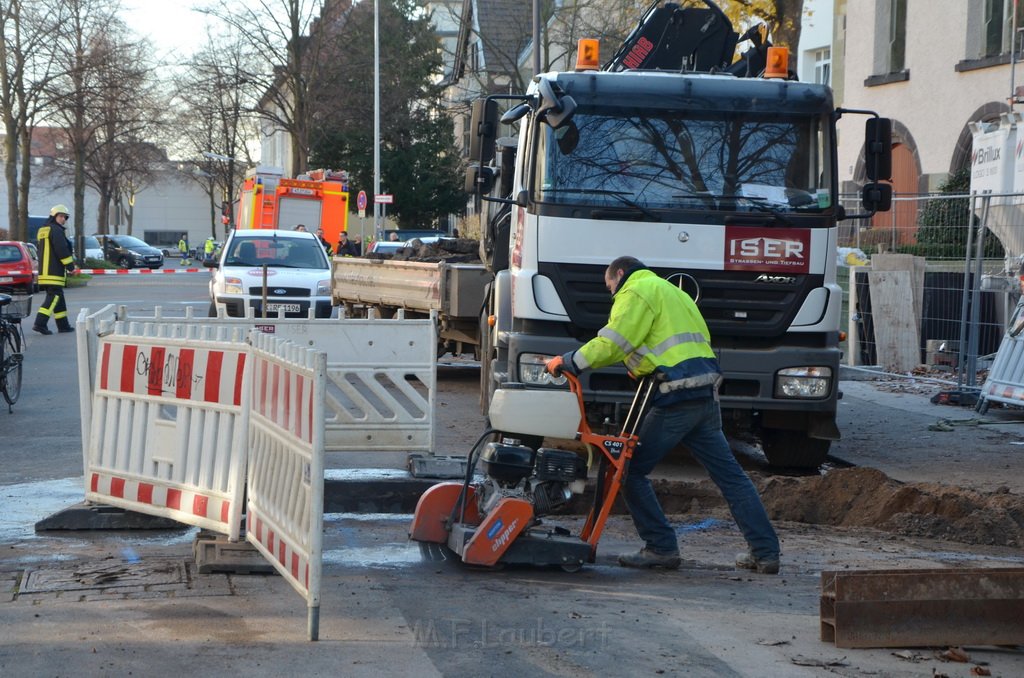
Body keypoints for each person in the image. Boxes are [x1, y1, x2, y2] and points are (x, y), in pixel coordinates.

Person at [545, 256, 781, 574]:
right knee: (732, 478)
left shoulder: (637, 291)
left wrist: (568, 361)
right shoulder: (675, 293)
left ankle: (661, 547)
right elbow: (674, 344)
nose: (611, 294)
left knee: (628, 471)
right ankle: (766, 553)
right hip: (704, 392)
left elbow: (614, 343)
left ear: (620, 274)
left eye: (610, 286)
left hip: (676, 395)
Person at [32, 205, 77, 335]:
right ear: (54, 216)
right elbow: (61, 249)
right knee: (54, 297)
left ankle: (63, 325)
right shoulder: (56, 230)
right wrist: (70, 267)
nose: (63, 219)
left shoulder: (43, 230)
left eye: (65, 217)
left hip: (45, 272)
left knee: (59, 298)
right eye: (61, 216)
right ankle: (40, 323)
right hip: (54, 272)